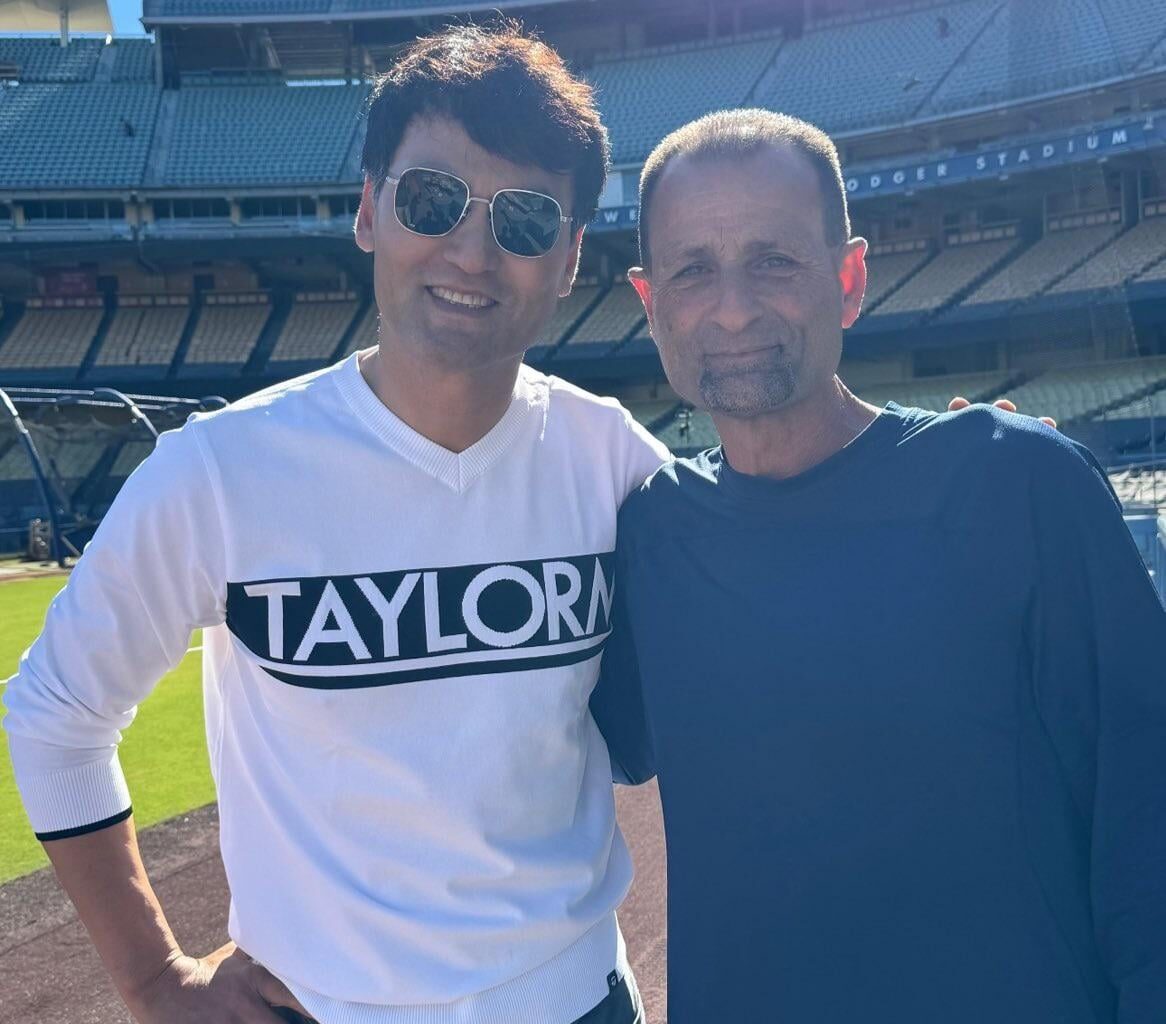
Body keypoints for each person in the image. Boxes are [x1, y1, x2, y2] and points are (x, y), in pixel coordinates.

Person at [2, 23, 665, 1024]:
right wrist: (148, 976)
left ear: (569, 257)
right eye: (431, 201)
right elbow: (54, 716)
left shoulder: (612, 459)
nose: (473, 251)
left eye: (526, 221)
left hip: (575, 1001)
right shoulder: (218, 472)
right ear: (367, 210)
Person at [591, 107, 1166, 1023]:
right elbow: (505, 753)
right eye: (693, 269)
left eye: (774, 260)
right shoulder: (650, 538)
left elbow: (1149, 820)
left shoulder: (1019, 484)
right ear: (650, 300)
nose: (732, 307)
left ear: (850, 279)